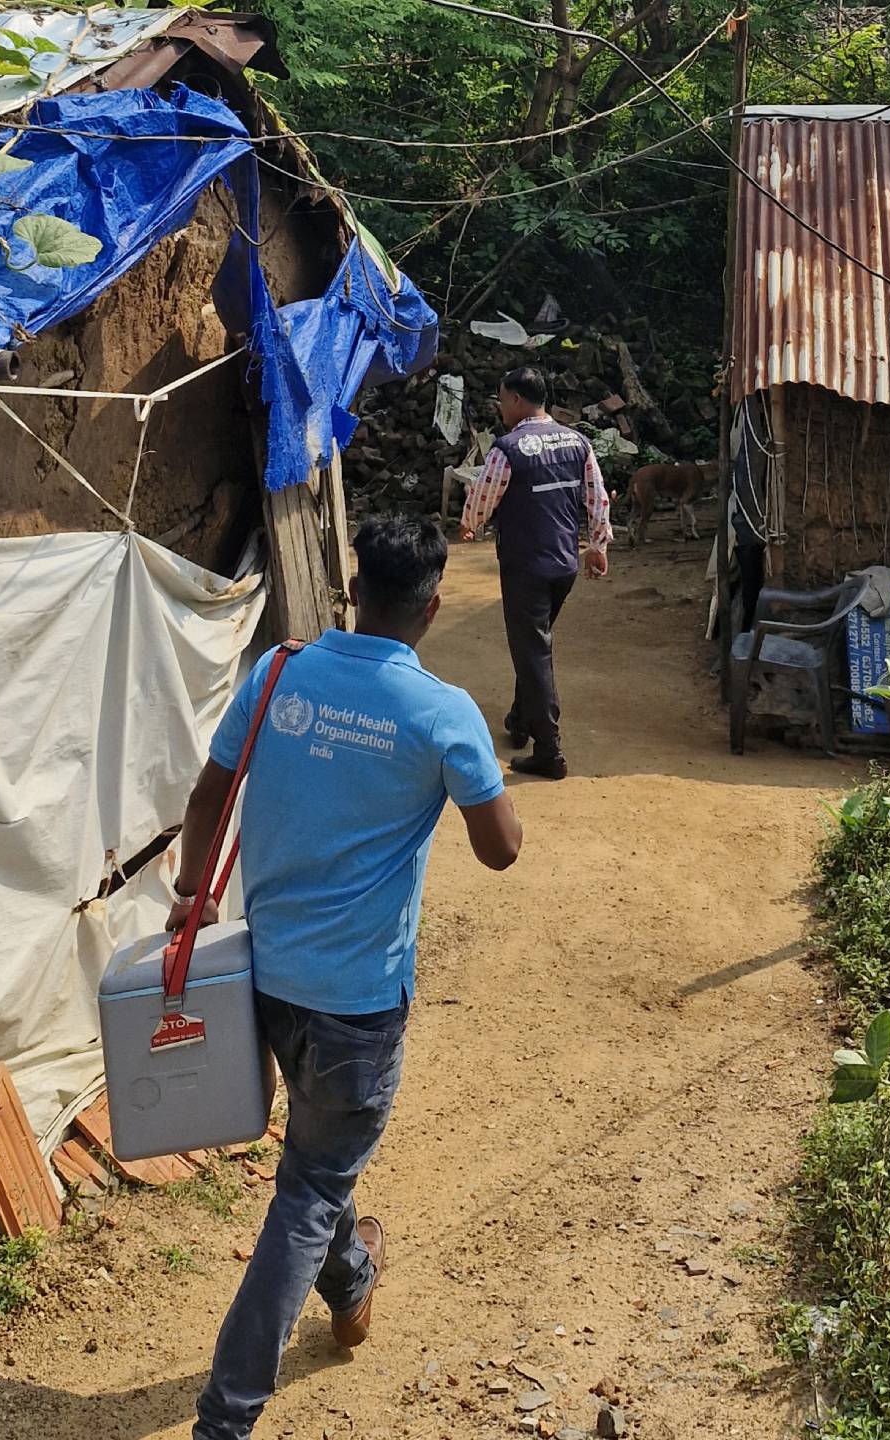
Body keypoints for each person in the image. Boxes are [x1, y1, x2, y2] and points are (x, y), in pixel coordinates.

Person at [169, 516, 523, 1440]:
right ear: (434, 607)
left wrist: (189, 898)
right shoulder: (441, 713)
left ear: (353, 588)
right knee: (313, 1188)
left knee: (320, 1163)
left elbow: (211, 794)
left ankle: (354, 1280)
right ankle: (226, 1417)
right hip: (357, 1003)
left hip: (262, 980)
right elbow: (502, 852)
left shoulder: (279, 673)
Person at [459, 365, 614, 781]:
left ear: (516, 401)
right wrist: (598, 546)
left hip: (525, 565)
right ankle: (520, 717)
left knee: (533, 651)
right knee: (535, 643)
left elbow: (482, 497)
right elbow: (597, 497)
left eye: (501, 399)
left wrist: (470, 522)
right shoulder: (578, 441)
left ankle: (549, 750)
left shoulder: (507, 448)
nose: (499, 407)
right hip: (563, 564)